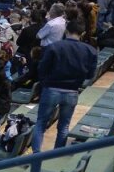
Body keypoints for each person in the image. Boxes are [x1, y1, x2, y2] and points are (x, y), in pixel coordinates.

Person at [31, 18, 98, 153]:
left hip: (51, 90)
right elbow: (90, 75)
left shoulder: (54, 47)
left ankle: (36, 156)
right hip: (72, 91)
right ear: (83, 33)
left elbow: (42, 69)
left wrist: (46, 83)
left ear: (66, 31)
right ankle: (57, 155)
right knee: (64, 126)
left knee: (40, 124)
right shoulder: (90, 50)